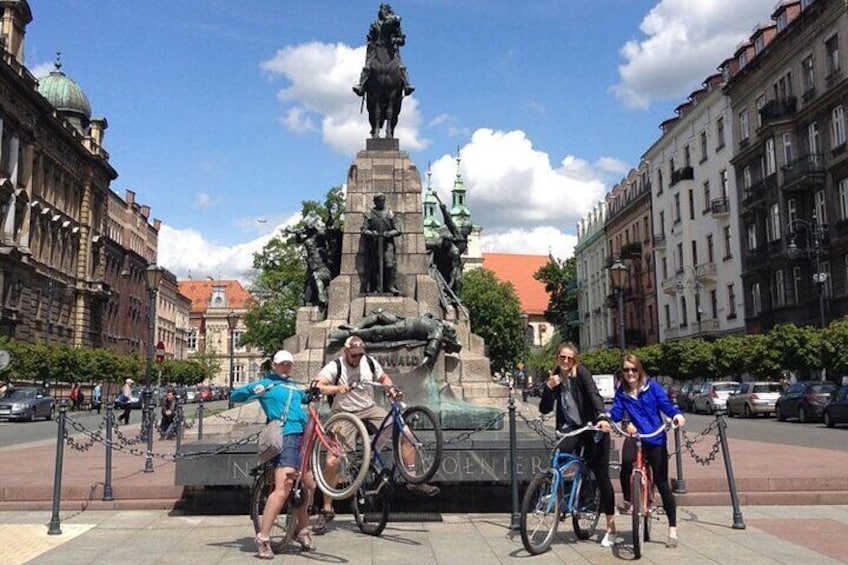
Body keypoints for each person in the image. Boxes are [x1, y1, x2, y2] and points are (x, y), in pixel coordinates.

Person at [312, 336, 439, 535]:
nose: (356, 358)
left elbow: (384, 379)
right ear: (346, 352)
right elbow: (318, 385)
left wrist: (391, 390)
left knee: (405, 433)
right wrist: (337, 388)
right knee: (332, 461)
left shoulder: (369, 362)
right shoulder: (335, 366)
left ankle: (413, 480)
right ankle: (326, 508)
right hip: (344, 414)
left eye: (359, 354)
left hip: (369, 409)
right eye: (353, 355)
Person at [231, 350, 316, 556]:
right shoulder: (268, 384)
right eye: (281, 364)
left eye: (288, 364)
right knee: (284, 486)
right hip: (285, 435)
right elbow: (236, 396)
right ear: (274, 365)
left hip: (302, 437)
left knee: (307, 485)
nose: (285, 367)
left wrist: (312, 394)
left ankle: (301, 527)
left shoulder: (293, 386)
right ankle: (264, 537)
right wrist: (256, 389)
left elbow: (303, 399)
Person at [539, 342, 618, 548]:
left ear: (575, 360)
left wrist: (602, 416)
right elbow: (545, 408)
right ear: (557, 357)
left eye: (569, 358)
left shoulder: (581, 373)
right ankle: (558, 494)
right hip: (571, 428)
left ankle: (611, 527)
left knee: (601, 476)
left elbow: (593, 394)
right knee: (559, 457)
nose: (565, 361)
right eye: (562, 357)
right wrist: (549, 387)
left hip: (592, 427)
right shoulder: (555, 375)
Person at [608, 354, 686, 549]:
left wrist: (676, 415)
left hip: (655, 437)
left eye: (633, 369)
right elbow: (617, 411)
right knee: (626, 463)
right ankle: (628, 500)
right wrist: (607, 417)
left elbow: (666, 405)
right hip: (635, 437)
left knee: (662, 483)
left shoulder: (652, 388)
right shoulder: (622, 391)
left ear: (639, 370)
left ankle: (672, 529)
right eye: (626, 370)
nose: (630, 373)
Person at [328, 310, 461, 366]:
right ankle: (355, 327)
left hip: (403, 330)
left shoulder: (438, 332)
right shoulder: (437, 322)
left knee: (376, 331)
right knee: (379, 313)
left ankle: (346, 335)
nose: (448, 325)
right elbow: (428, 315)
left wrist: (424, 363)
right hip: (402, 321)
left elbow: (431, 350)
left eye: (450, 329)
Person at [352, 3, 415, 97]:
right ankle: (361, 85)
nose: (382, 12)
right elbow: (370, 38)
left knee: (401, 67)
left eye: (384, 10)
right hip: (376, 49)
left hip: (391, 50)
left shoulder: (394, 24)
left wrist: (395, 40)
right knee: (368, 66)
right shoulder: (374, 24)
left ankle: (406, 85)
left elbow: (401, 41)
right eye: (381, 10)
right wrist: (371, 47)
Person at [361, 192, 401, 295]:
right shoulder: (370, 213)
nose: (381, 202)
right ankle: (377, 288)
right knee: (375, 266)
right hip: (374, 244)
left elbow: (398, 230)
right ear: (375, 201)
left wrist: (389, 233)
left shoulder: (389, 213)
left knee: (389, 264)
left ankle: (391, 286)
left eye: (383, 200)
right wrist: (372, 233)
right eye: (379, 200)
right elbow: (364, 230)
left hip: (387, 243)